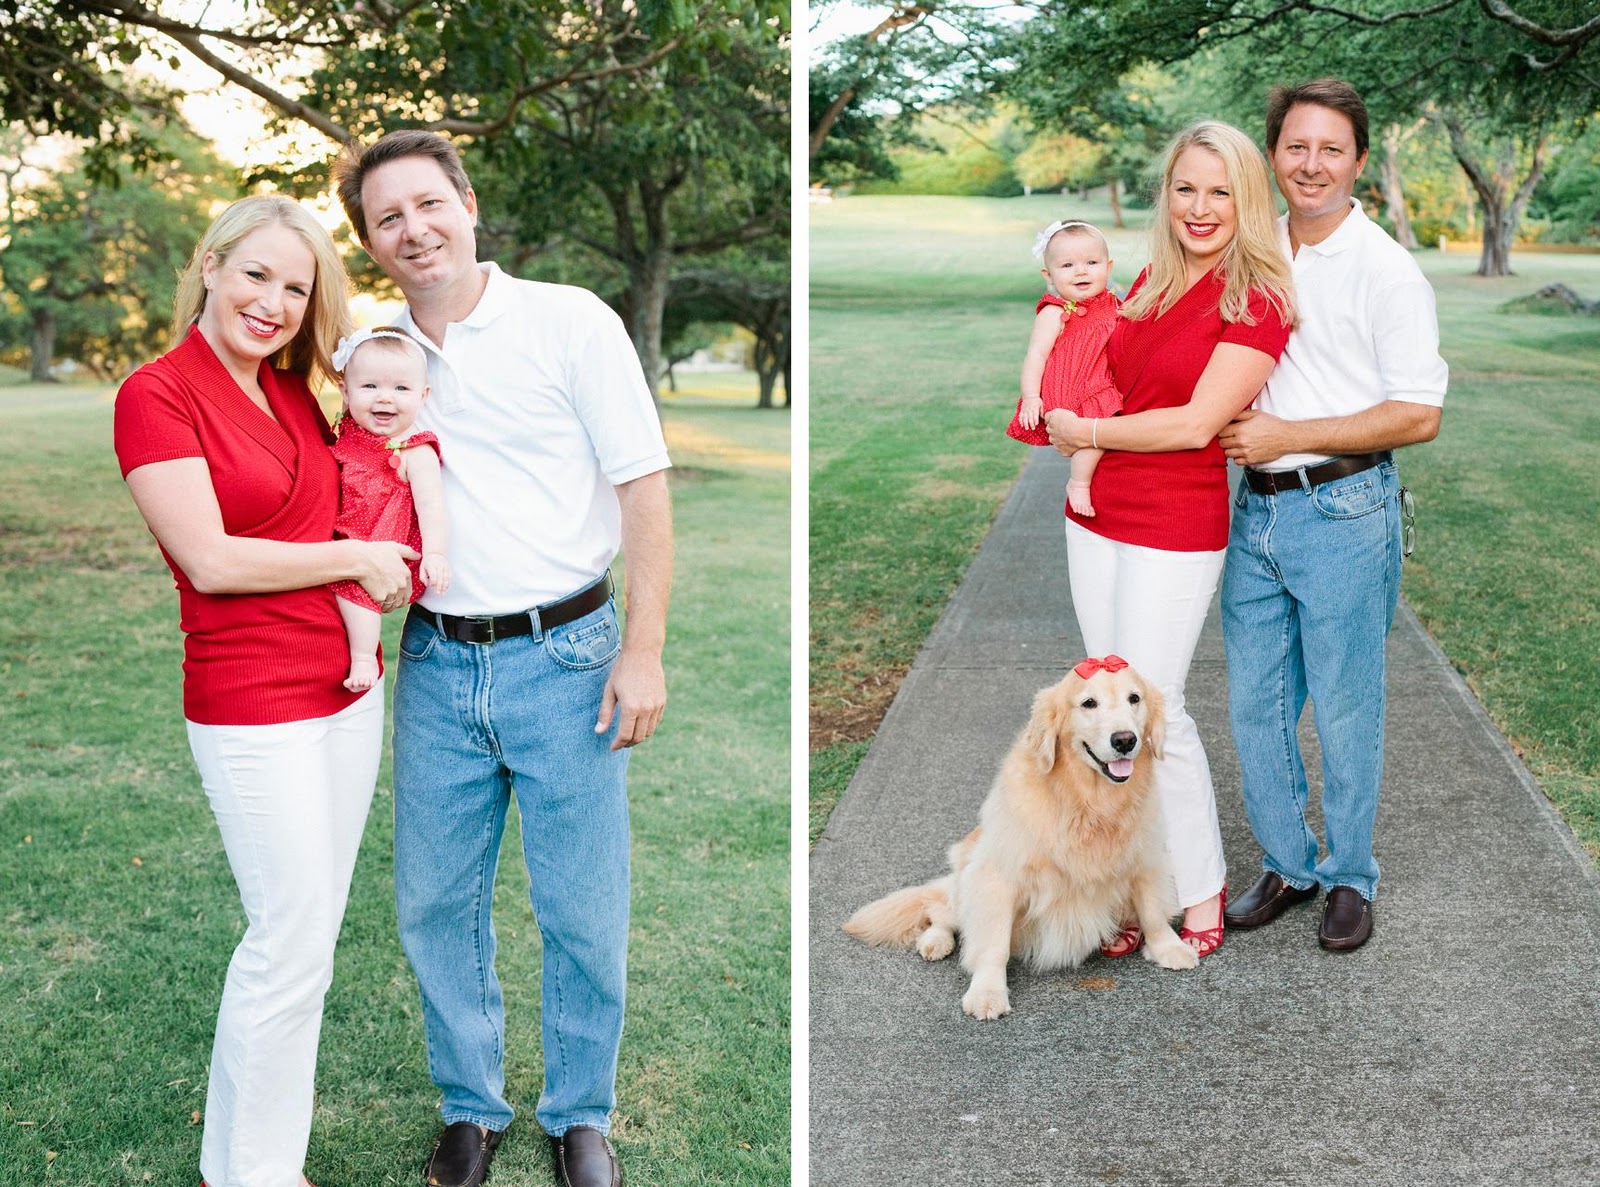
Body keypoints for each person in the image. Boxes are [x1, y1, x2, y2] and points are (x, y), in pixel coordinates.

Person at [331, 130, 673, 1187]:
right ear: (372, 243)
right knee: (435, 900)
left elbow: (643, 487)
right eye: (388, 218)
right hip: (436, 661)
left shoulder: (567, 318)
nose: (413, 229)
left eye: (428, 204)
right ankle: (469, 1107)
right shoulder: (373, 351)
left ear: (467, 201)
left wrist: (644, 649)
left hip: (568, 652)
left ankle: (579, 1113)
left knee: (580, 903)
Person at [113, 194, 417, 1187]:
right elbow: (207, 558)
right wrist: (366, 557)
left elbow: (363, 467)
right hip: (251, 702)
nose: (274, 301)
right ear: (210, 265)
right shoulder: (156, 393)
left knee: (308, 944)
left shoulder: (296, 390)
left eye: (297, 286)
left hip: (344, 692)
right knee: (286, 939)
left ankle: (243, 1163)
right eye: (257, 275)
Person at [1045, 121, 1297, 959]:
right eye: (1185, 187)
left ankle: (1199, 884)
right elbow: (1105, 372)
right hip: (1096, 512)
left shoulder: (1257, 297)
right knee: (1107, 711)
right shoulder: (1148, 280)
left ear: (1247, 199)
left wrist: (1090, 430)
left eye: (1220, 190)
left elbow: (1195, 424)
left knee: (1157, 710)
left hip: (1174, 522)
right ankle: (1127, 890)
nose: (1200, 206)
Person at [1219, 79, 1446, 952]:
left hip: (1346, 507)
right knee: (1257, 705)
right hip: (1258, 517)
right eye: (1296, 146)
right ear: (1273, 154)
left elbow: (1419, 412)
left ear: (1358, 161)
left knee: (1347, 709)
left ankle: (1352, 875)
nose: (1311, 164)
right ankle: (1288, 861)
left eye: (1331, 149)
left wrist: (1288, 432)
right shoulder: (1256, 243)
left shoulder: (1387, 268)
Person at [327, 326, 449, 692]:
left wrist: (437, 553)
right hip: (342, 535)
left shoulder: (415, 450)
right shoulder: (347, 434)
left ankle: (364, 655)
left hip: (383, 539)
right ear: (346, 392)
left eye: (401, 389)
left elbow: (432, 505)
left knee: (355, 585)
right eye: (370, 387)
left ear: (423, 395)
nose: (385, 399)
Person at [1006, 219, 1124, 516]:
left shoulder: (1113, 304)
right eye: (1068, 265)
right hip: (1071, 387)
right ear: (1049, 275)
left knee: (1104, 427)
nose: (1081, 271)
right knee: (1093, 429)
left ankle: (1089, 480)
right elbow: (1036, 356)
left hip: (1099, 384)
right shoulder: (1054, 312)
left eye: (1091, 262)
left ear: (1108, 268)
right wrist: (1032, 397)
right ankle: (1078, 483)